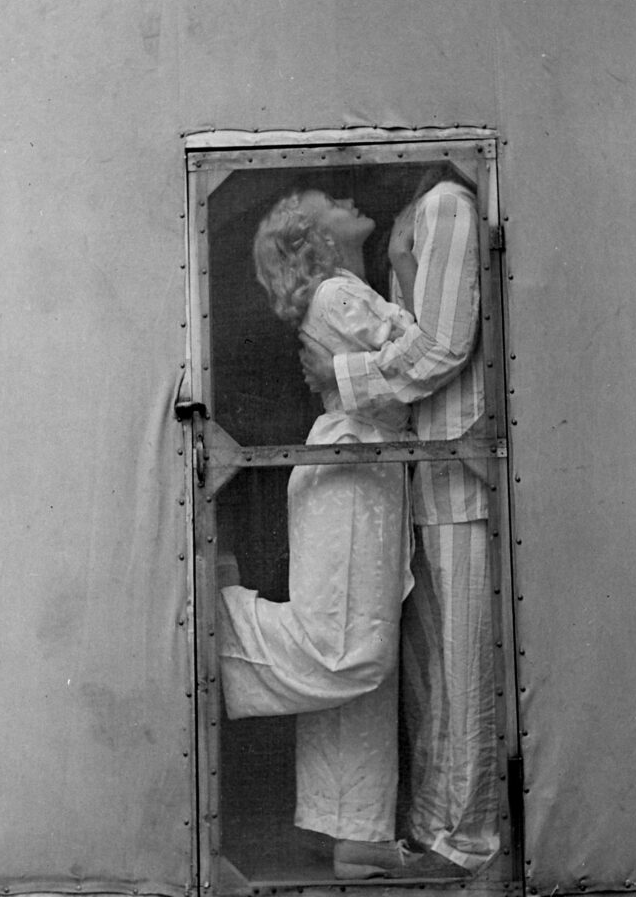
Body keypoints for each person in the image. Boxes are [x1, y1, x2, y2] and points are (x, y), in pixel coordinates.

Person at [217, 188, 422, 880]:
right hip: (353, 469)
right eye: (328, 200)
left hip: (354, 466)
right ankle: (223, 628)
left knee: (364, 664)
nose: (346, 197)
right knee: (351, 650)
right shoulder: (338, 294)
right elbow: (426, 362)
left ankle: (353, 828)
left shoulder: (343, 291)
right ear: (314, 236)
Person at [301, 171, 500, 878]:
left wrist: (345, 376)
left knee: (461, 664)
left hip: (457, 466)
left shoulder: (448, 204)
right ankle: (433, 829)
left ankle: (462, 839)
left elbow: (444, 345)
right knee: (435, 667)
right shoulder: (422, 209)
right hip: (432, 465)